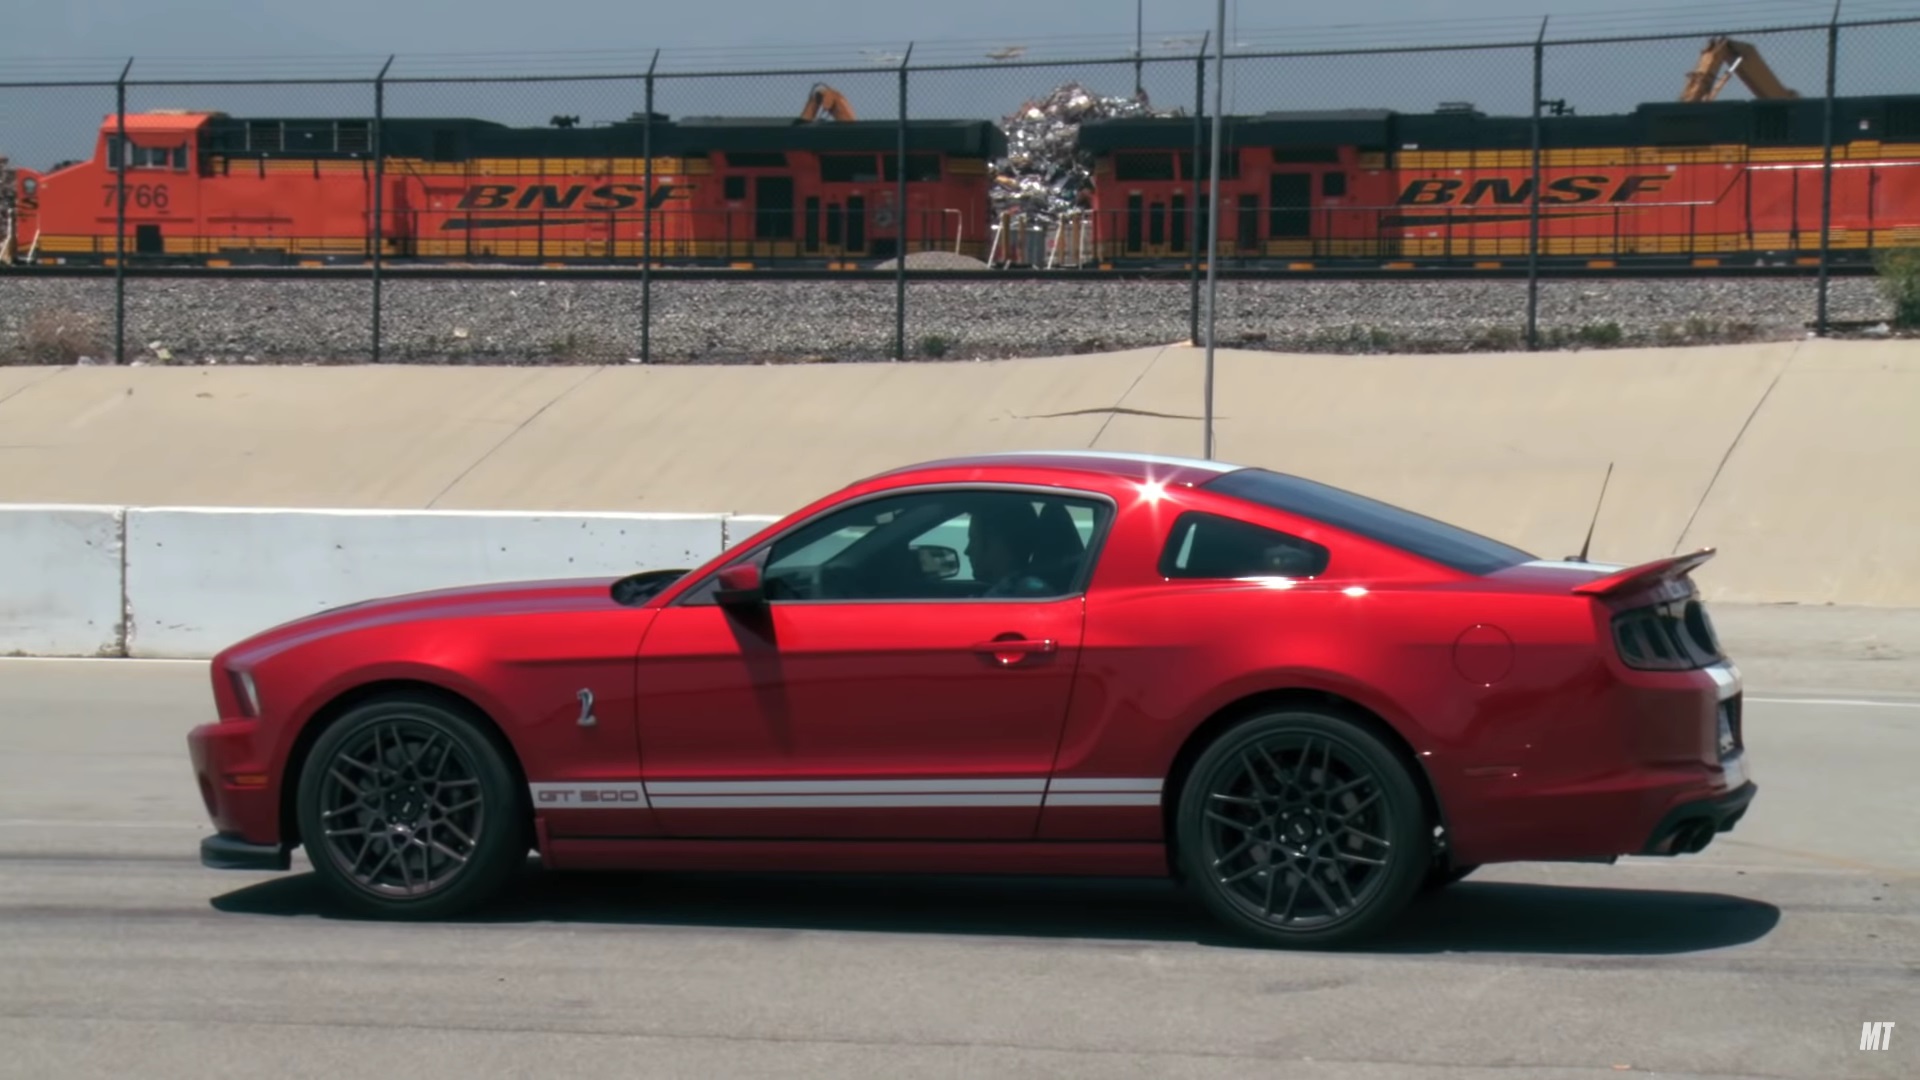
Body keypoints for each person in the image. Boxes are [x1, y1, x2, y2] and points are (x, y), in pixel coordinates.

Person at [963, 495, 1051, 598]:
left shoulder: (1008, 598)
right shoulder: (1019, 592)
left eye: (973, 540)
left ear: (997, 545)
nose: (967, 551)